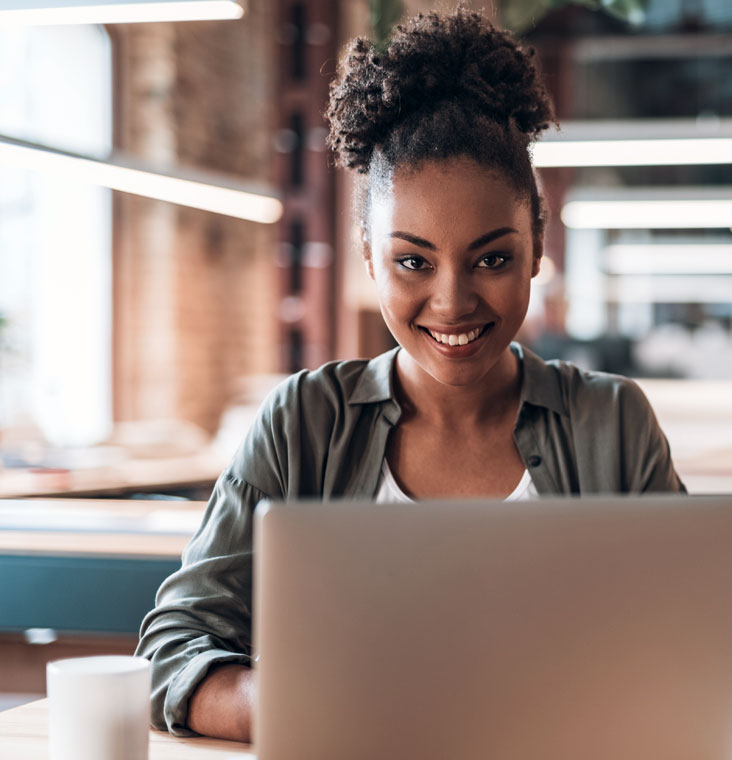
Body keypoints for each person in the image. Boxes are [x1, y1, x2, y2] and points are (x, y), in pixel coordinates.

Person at [135, 8, 686, 741]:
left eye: (491, 257)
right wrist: (283, 704)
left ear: (536, 248)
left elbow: (701, 671)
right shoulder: (304, 422)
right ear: (369, 257)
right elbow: (172, 649)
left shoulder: (612, 424)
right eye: (413, 261)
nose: (452, 300)